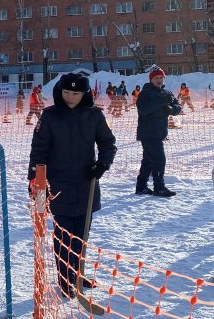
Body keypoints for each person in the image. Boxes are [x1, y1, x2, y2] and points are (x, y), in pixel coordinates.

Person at [27, 73, 117, 299]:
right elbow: (38, 151)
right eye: (66, 92)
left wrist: (102, 165)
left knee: (82, 235)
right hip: (58, 185)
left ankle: (78, 273)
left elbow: (108, 143)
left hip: (87, 184)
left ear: (84, 94)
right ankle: (66, 278)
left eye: (75, 93)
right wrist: (35, 183)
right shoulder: (50, 117)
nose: (70, 97)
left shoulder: (94, 116)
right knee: (64, 236)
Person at [136, 67, 182, 197]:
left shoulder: (167, 92)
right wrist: (160, 102)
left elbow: (178, 106)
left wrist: (171, 109)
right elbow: (143, 110)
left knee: (148, 160)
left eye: (161, 77)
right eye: (156, 78)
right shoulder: (145, 93)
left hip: (159, 132)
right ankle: (159, 187)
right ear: (151, 79)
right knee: (159, 159)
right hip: (148, 132)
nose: (159, 80)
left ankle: (141, 186)